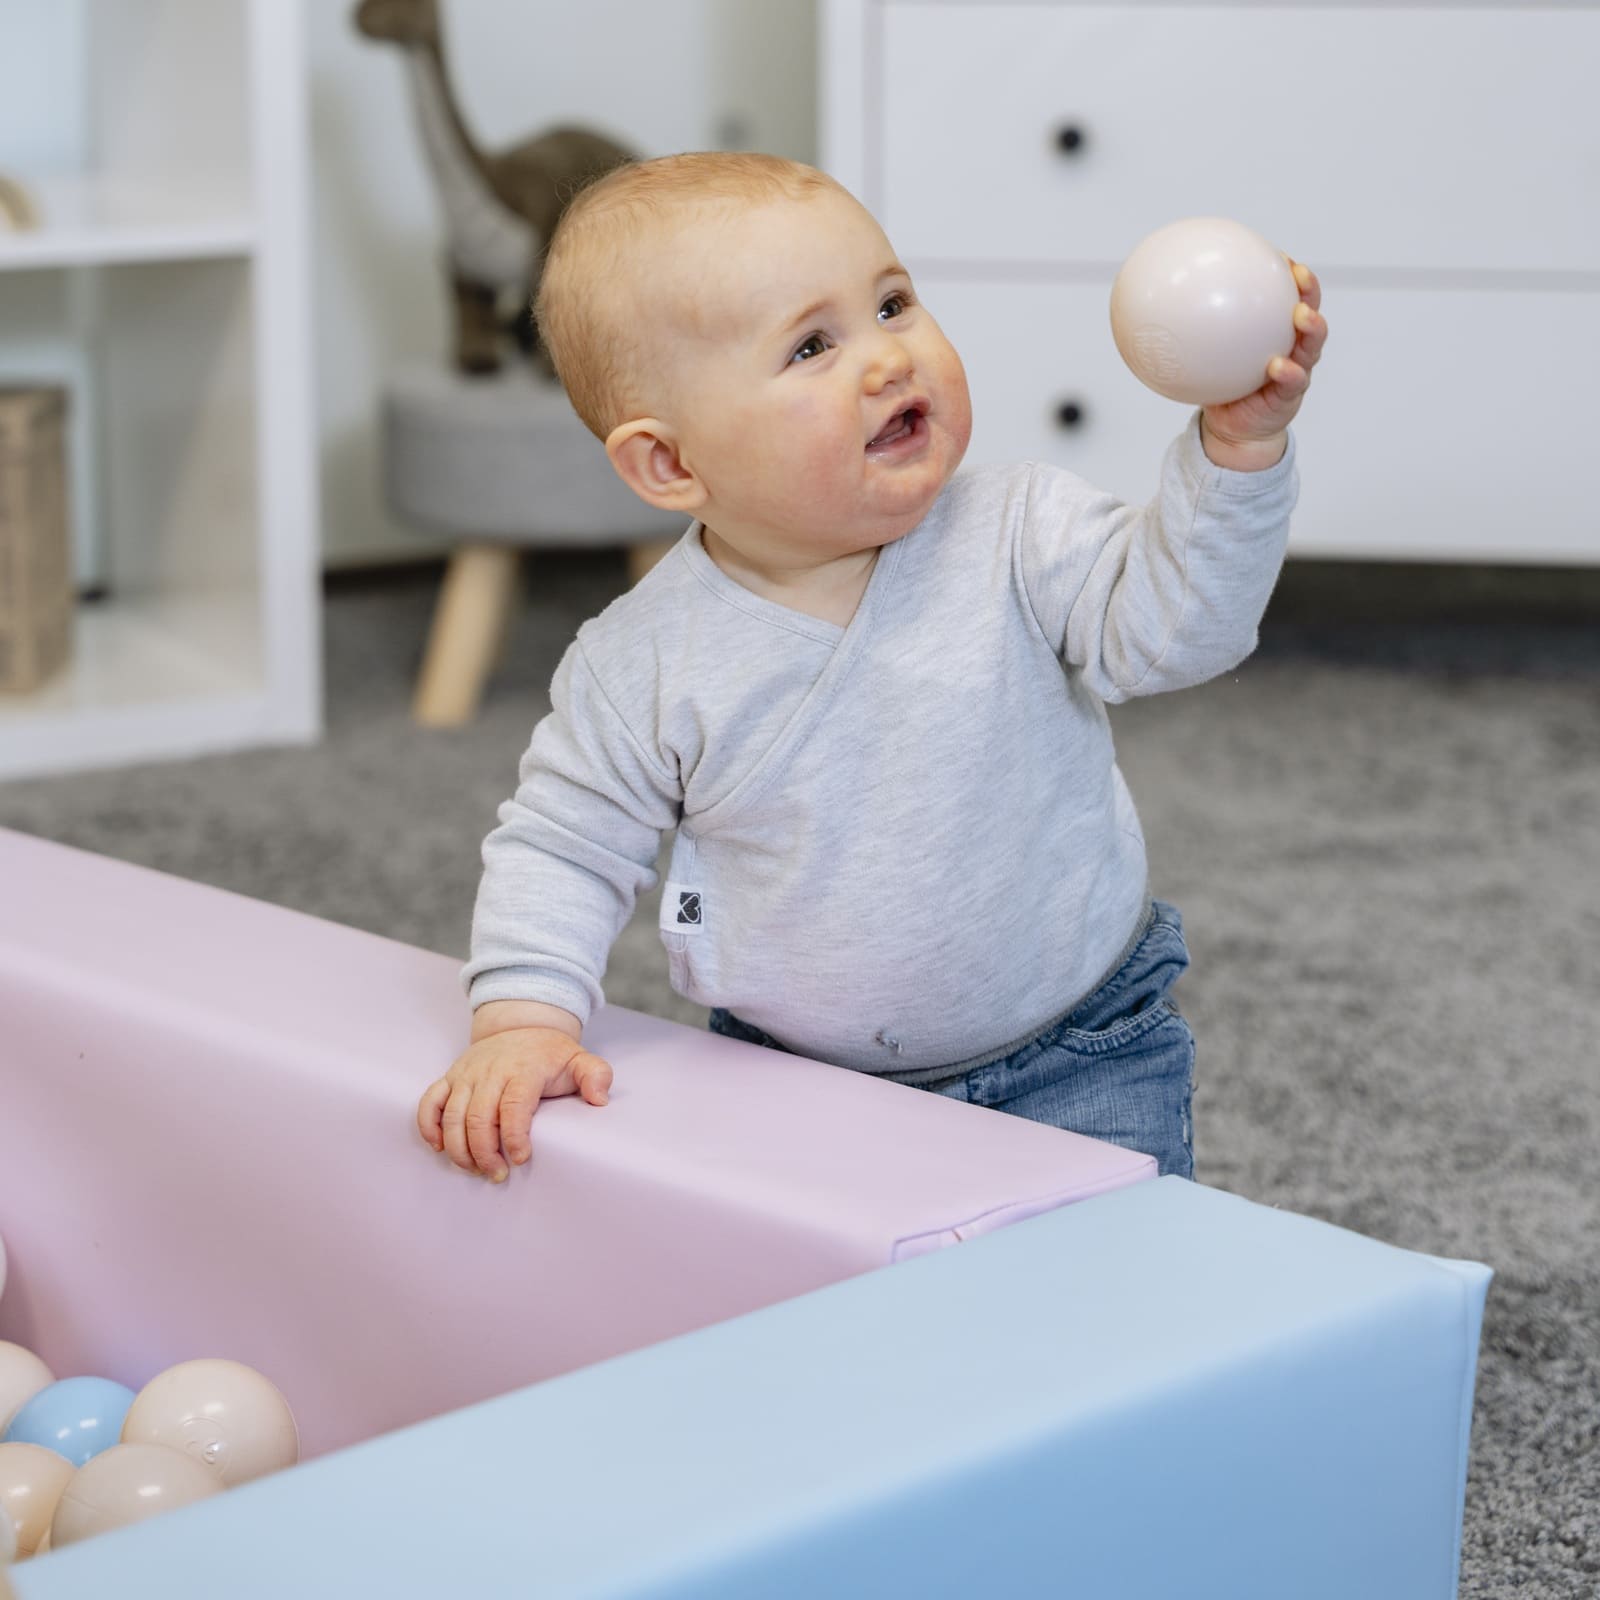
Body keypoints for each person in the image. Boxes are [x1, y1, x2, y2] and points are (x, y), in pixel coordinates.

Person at [417, 152, 1327, 1184]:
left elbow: (1178, 632)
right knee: (824, 1322)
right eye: (812, 345)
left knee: (1102, 1310)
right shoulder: (643, 664)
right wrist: (523, 1017)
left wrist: (1237, 458)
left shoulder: (1018, 530)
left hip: (1078, 1049)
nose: (888, 359)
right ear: (670, 463)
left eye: (892, 303)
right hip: (794, 1083)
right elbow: (564, 845)